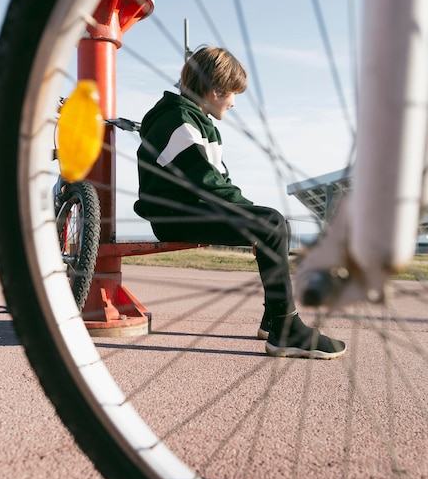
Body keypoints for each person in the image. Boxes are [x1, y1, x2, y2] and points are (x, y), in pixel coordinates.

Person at [134, 45, 346, 359]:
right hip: (174, 216)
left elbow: (220, 183)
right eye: (233, 94)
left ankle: (274, 318)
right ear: (215, 90)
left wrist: (252, 218)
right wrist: (257, 221)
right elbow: (206, 182)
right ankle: (285, 328)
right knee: (271, 223)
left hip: (190, 209)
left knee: (270, 223)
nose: (234, 103)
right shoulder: (178, 120)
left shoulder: (198, 122)